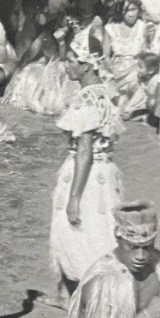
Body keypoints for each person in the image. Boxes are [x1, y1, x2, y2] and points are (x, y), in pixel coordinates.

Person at [50, 84, 126, 300]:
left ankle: (91, 297)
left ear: (85, 63)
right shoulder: (106, 90)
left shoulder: (86, 99)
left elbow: (85, 152)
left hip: (86, 176)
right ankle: (68, 295)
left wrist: (75, 197)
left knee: (78, 232)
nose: (69, 64)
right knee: (99, 229)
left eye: (74, 59)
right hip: (104, 173)